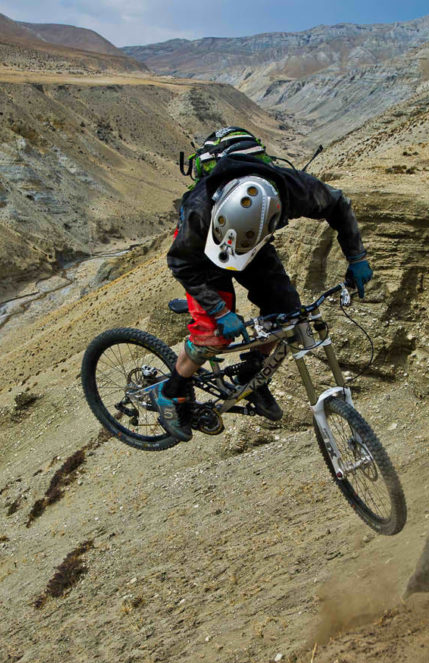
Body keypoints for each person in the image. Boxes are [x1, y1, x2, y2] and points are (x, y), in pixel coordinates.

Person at [148, 127, 373, 442]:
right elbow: (181, 262)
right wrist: (219, 310)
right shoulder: (199, 208)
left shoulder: (291, 189)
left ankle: (253, 374)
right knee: (211, 336)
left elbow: (338, 204)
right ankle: (171, 395)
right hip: (201, 255)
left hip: (254, 243)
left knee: (287, 312)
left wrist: (357, 257)